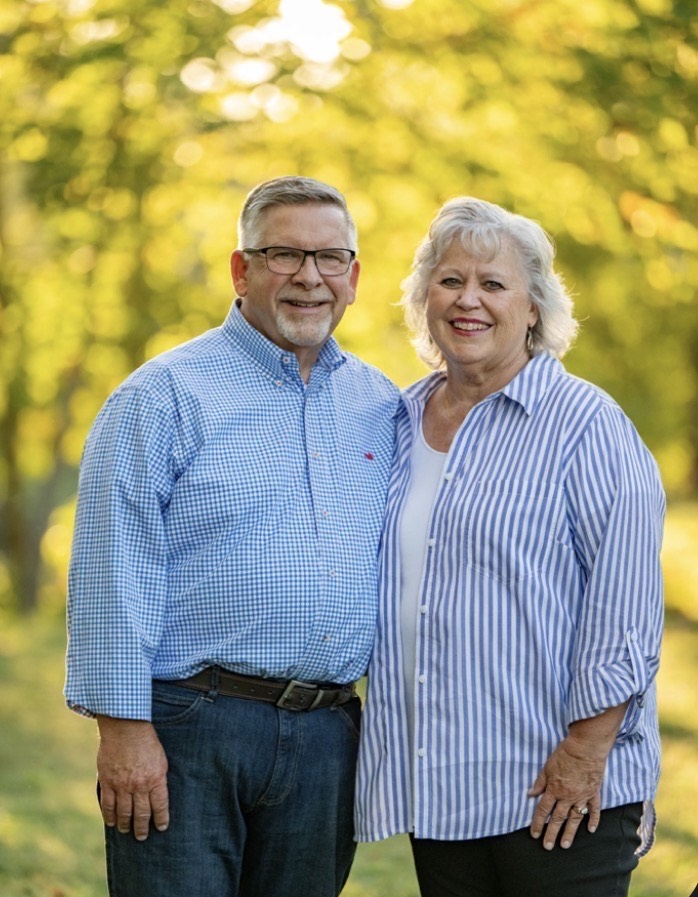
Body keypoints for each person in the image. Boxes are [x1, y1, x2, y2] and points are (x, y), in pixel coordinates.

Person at [65, 175, 399, 897]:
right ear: (241, 269)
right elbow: (111, 569)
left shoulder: (385, 405)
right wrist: (123, 732)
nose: (309, 277)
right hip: (190, 727)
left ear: (354, 277)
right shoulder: (162, 397)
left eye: (329, 258)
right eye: (284, 254)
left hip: (327, 734)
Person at [354, 197, 664, 897]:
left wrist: (586, 751)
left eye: (493, 284)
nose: (469, 300)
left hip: (556, 789)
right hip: (440, 786)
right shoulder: (395, 420)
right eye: (450, 280)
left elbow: (625, 607)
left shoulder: (586, 424)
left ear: (534, 308)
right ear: (424, 298)